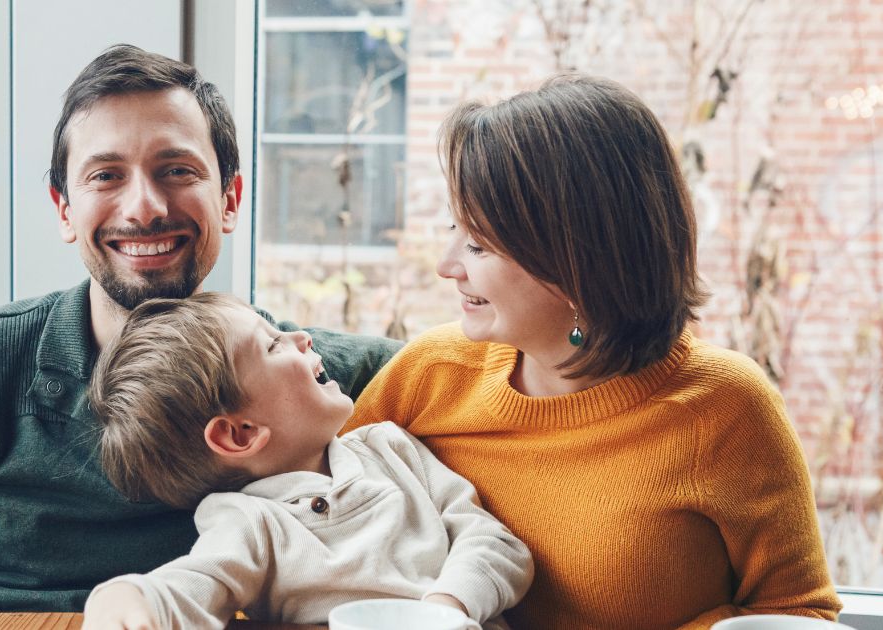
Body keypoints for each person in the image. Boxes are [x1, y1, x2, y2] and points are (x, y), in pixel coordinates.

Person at [0, 44, 401, 624]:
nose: (145, 207)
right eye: (106, 176)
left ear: (230, 198)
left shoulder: (336, 381)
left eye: (177, 169)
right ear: (64, 210)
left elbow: (493, 377)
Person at [343, 74, 843, 630]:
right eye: (452, 228)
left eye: (477, 242)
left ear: (577, 256)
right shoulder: (430, 372)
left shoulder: (727, 408)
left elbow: (800, 615)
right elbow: (312, 521)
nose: (446, 264)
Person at [80, 292, 533, 630]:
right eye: (273, 345)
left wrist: (447, 606)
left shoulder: (391, 449)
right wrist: (129, 598)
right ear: (241, 434)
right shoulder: (249, 520)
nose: (301, 337)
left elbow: (494, 543)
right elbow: (200, 582)